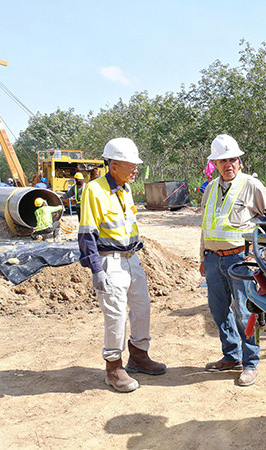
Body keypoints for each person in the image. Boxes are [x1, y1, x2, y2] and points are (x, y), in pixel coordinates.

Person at [78, 137, 166, 393]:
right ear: (113, 165)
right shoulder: (94, 190)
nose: (135, 169)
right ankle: (113, 367)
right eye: (131, 165)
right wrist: (96, 270)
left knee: (142, 308)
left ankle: (139, 356)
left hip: (132, 258)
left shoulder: (125, 189)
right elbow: (86, 234)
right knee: (115, 315)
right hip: (110, 261)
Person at [200, 134, 266, 387]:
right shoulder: (209, 189)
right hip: (213, 259)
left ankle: (251, 362)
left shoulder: (251, 185)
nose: (228, 164)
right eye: (223, 161)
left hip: (241, 259)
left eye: (232, 159)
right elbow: (205, 226)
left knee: (244, 312)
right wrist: (202, 256)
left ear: (240, 162)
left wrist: (258, 252)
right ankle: (231, 356)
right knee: (218, 310)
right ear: (215, 164)